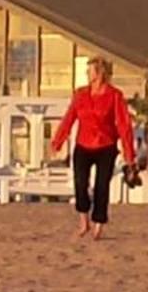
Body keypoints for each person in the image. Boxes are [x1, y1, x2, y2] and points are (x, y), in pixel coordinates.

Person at [49, 57, 137, 240]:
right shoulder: (80, 94)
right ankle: (84, 221)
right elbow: (69, 117)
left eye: (90, 71)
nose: (87, 74)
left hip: (106, 146)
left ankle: (99, 224)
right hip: (83, 144)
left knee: (101, 186)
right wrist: (57, 141)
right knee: (80, 183)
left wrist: (129, 155)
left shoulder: (114, 95)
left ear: (99, 73)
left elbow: (123, 125)